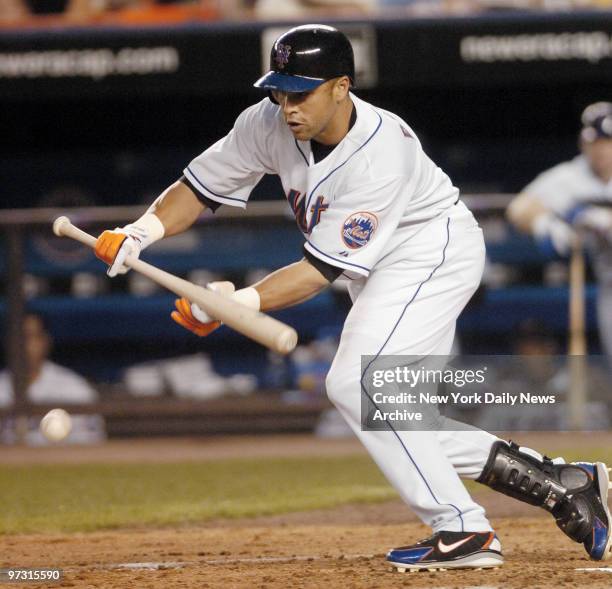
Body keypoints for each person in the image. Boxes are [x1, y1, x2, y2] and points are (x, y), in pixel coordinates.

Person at [94, 25, 611, 571]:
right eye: (280, 90)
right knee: (394, 409)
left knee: (363, 384)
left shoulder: (381, 150)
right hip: (382, 266)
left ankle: (464, 530)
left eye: (302, 92)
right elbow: (198, 189)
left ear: (341, 86)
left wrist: (235, 303)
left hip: (431, 250)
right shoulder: (265, 121)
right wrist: (140, 232)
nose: (286, 105)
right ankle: (562, 483)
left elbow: (316, 274)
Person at [507, 102, 612, 360]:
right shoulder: (573, 176)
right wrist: (547, 224)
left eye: (606, 142)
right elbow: (518, 208)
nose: (599, 150)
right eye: (593, 142)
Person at [0, 313, 106, 445]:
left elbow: (94, 443)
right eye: (18, 338)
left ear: (45, 341)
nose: (24, 345)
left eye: (30, 337)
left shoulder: (74, 389)